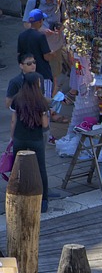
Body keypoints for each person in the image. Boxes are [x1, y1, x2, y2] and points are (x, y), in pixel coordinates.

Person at [9, 67, 50, 212]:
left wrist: (12, 138)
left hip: (20, 138)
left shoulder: (17, 99)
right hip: (36, 139)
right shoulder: (41, 101)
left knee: (17, 168)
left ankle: (16, 197)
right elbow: (45, 124)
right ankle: (44, 200)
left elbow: (13, 121)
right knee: (40, 169)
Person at [16, 10, 55, 98]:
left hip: (27, 74)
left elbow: (19, 54)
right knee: (45, 101)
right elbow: (47, 57)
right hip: (43, 73)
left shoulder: (21, 35)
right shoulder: (40, 36)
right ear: (39, 21)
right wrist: (53, 54)